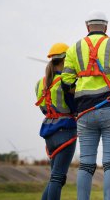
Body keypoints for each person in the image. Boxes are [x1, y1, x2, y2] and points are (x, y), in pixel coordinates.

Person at [61, 10, 110, 200]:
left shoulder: (74, 49)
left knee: (86, 164)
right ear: (106, 27)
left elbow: (66, 84)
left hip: (85, 113)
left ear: (87, 27)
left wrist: (81, 98)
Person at [35, 43, 77, 200]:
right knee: (58, 178)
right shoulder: (65, 82)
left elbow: (43, 109)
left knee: (54, 178)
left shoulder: (40, 83)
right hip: (66, 131)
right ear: (65, 60)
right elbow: (74, 106)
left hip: (49, 133)